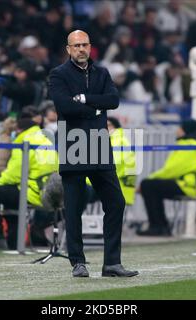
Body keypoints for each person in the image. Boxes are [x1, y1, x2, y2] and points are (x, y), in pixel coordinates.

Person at [49, 30, 138, 278]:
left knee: (116, 202)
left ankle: (111, 263)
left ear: (91, 47)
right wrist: (95, 110)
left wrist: (85, 99)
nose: (81, 49)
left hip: (99, 144)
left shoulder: (102, 72)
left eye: (85, 44)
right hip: (73, 144)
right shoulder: (59, 74)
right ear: (68, 49)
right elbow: (64, 106)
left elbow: (113, 101)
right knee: (75, 207)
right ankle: (78, 261)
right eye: (76, 45)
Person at [0, 118, 58, 249]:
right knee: (11, 195)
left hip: (34, 193)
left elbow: (15, 173)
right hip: (52, 193)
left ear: (20, 130)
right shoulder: (45, 139)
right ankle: (13, 241)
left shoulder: (24, 141)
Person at [137, 119, 196, 236]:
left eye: (180, 128)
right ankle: (161, 227)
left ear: (185, 130)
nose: (177, 130)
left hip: (189, 187)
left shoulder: (188, 144)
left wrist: (148, 180)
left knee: (148, 185)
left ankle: (158, 227)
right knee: (153, 187)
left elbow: (171, 170)